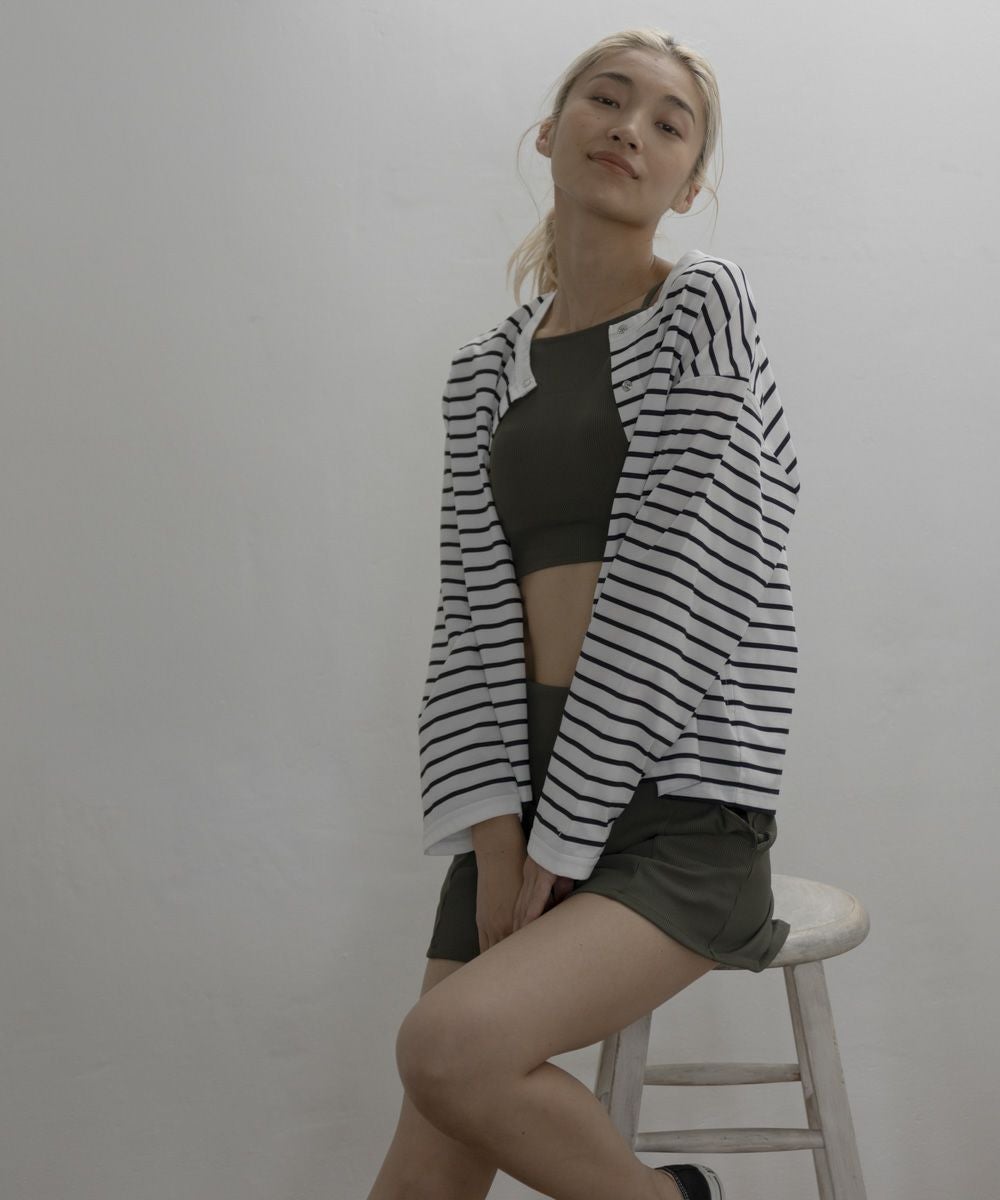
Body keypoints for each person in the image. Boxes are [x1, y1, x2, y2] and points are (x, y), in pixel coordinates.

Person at [369, 26, 802, 1200]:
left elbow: (681, 591)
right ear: (548, 132)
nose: (629, 129)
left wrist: (562, 840)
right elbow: (468, 623)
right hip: (524, 800)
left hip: (677, 810)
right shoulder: (482, 370)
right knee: (420, 1170)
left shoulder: (703, 306)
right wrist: (500, 841)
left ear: (688, 183)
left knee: (447, 1050)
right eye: (605, 100)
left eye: (668, 122)